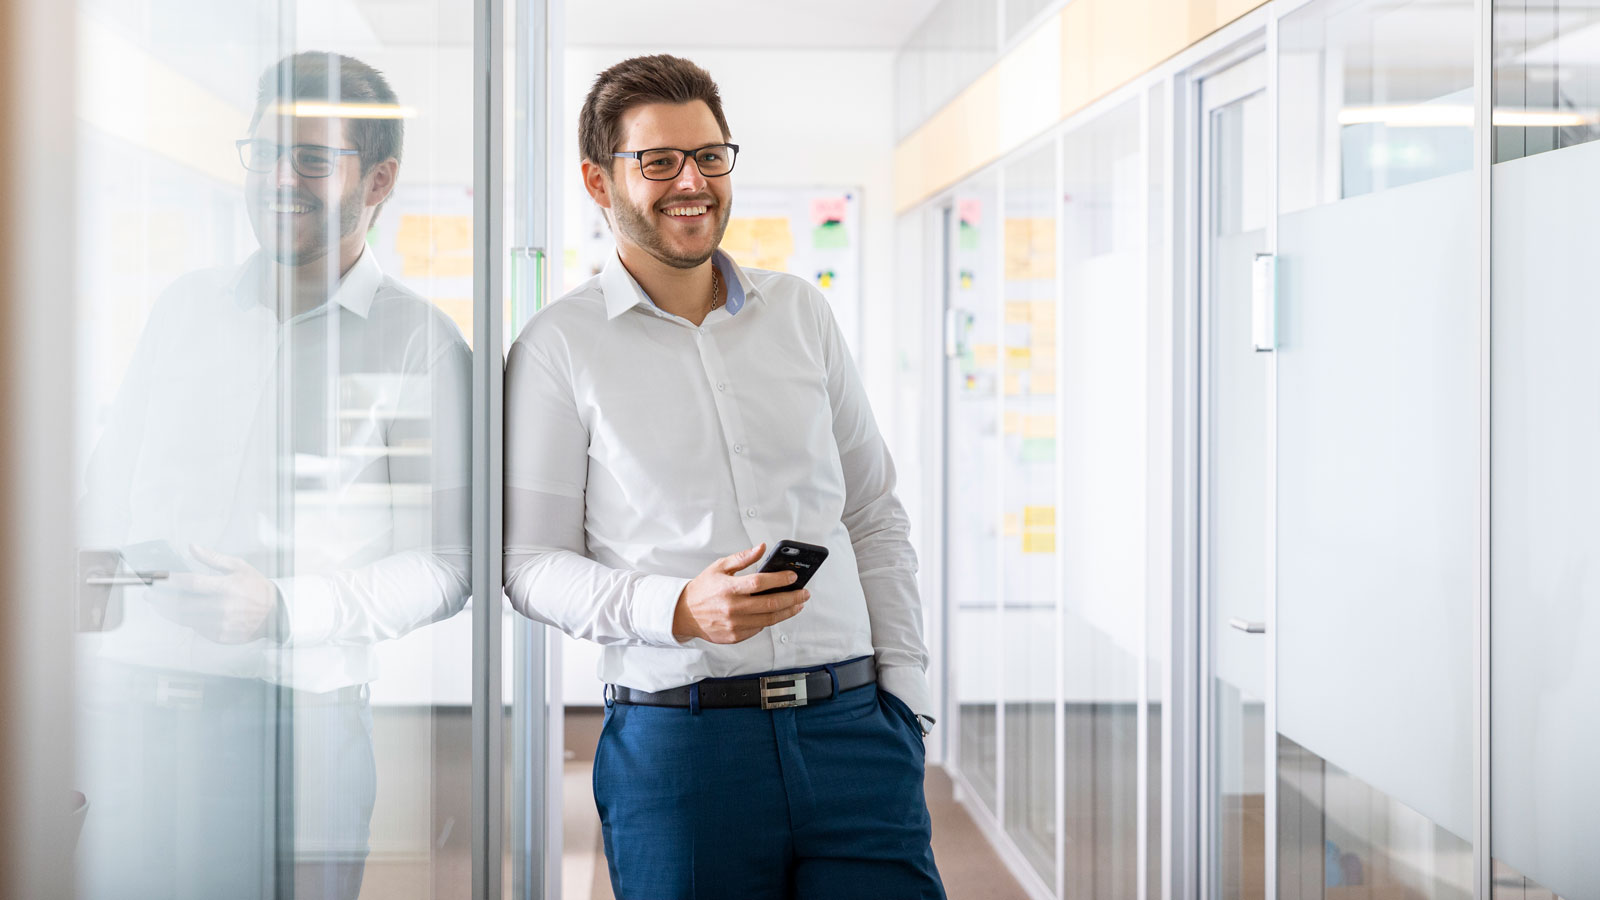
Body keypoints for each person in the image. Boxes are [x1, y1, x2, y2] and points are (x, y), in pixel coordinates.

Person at [504, 54, 945, 899]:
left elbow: (873, 513)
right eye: (659, 161)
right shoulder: (559, 347)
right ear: (600, 183)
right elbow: (529, 564)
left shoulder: (801, 313)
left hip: (855, 731)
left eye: (709, 155)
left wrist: (908, 701)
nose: (692, 182)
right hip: (682, 750)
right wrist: (674, 609)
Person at [75, 52, 471, 900]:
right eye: (264, 153)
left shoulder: (421, 344)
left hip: (298, 730)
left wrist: (285, 608)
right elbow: (105, 488)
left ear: (380, 181)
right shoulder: (184, 308)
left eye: (315, 160)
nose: (280, 180)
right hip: (130, 711)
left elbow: (450, 565)